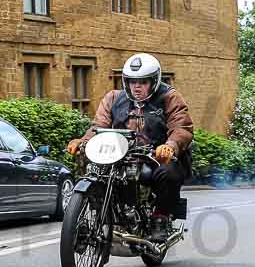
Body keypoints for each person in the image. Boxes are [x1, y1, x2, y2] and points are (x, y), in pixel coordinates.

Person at [66, 53, 194, 242]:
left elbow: (181, 127)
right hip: (120, 155)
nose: (137, 86)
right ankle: (92, 212)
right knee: (93, 169)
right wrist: (83, 141)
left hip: (156, 157)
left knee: (167, 173)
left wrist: (170, 146)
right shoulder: (113, 98)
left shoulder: (169, 97)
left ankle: (160, 217)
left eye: (143, 82)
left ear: (154, 81)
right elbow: (98, 126)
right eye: (132, 81)